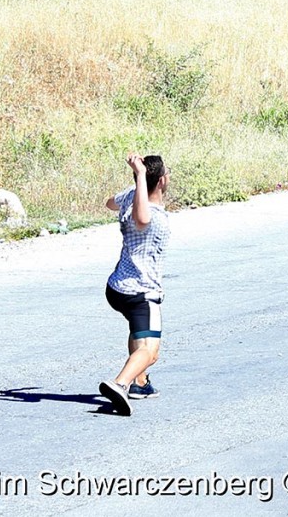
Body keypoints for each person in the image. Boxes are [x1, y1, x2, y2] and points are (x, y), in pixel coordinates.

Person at [98, 153, 171, 416]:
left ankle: (140, 382)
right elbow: (142, 220)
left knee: (139, 332)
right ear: (161, 181)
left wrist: (135, 186)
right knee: (150, 352)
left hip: (117, 288)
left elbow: (109, 203)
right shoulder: (148, 213)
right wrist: (141, 176)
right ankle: (121, 383)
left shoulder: (131, 196)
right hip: (142, 292)